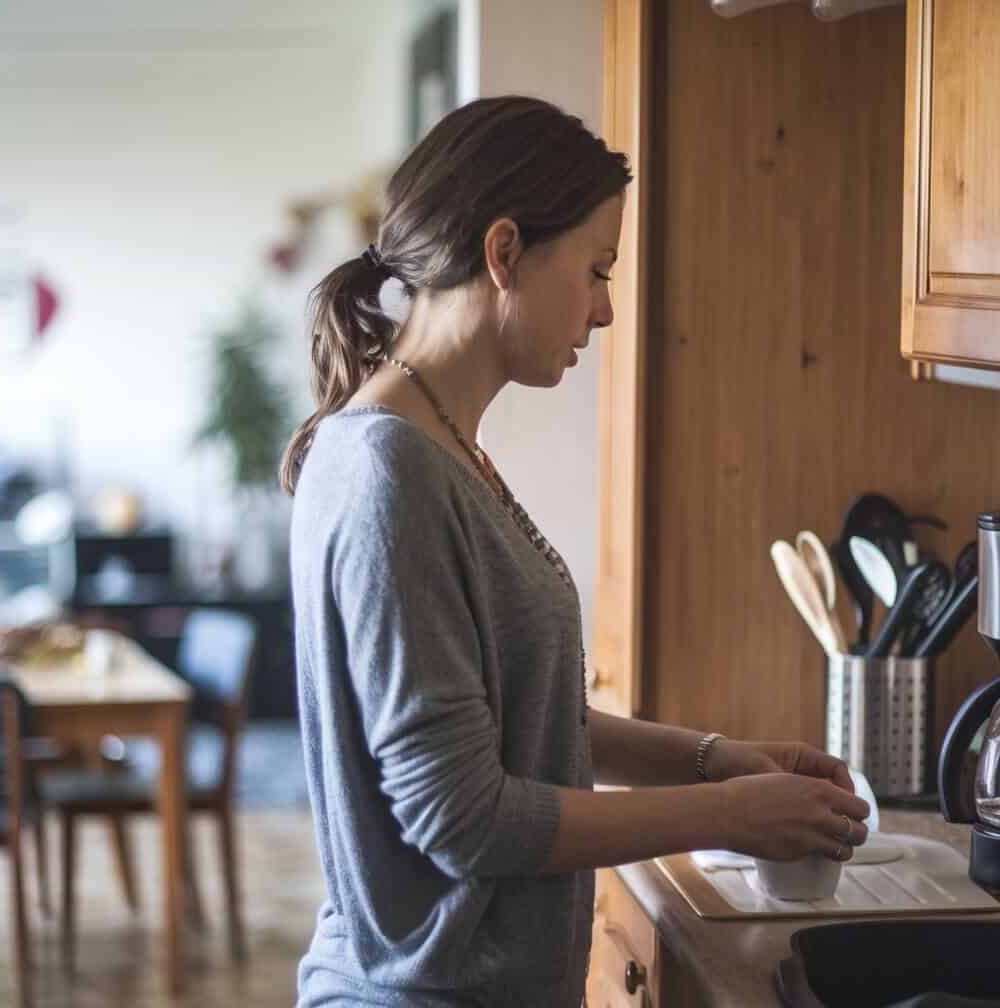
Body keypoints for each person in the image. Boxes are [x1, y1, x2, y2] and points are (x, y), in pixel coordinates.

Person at [283, 95, 870, 1008]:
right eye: (597, 271)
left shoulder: (435, 446)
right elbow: (460, 817)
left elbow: (509, 717)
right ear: (505, 251)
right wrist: (731, 817)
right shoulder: (389, 471)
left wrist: (716, 759)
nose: (603, 311)